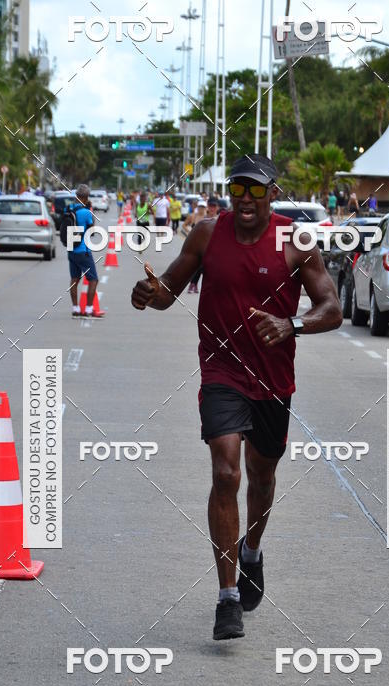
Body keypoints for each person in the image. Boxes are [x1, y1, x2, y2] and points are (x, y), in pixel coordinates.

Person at [131, 153, 342, 641]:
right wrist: (149, 293)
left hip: (272, 379)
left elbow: (330, 308)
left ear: (273, 193)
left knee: (261, 476)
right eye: (238, 189)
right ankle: (227, 597)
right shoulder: (206, 234)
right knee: (226, 470)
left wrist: (291, 324)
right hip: (222, 370)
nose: (245, 200)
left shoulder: (297, 241)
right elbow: (171, 289)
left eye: (256, 190)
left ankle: (251, 550)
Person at [67, 184, 103, 318]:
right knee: (93, 279)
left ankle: (75, 308)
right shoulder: (86, 212)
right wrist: (90, 209)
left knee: (74, 279)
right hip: (83, 250)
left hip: (71, 250)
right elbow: (92, 229)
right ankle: (88, 309)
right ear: (86, 197)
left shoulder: (69, 209)